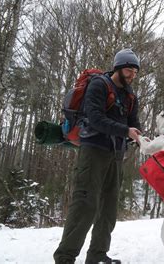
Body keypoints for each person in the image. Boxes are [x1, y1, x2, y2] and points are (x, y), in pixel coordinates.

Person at [54, 48, 142, 264]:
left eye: (135, 71)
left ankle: (98, 255)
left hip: (116, 154)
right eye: (129, 70)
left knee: (109, 207)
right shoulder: (99, 85)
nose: (132, 75)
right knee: (85, 203)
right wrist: (125, 131)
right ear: (118, 67)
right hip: (93, 150)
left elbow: (134, 123)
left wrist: (138, 135)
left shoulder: (130, 96)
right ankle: (65, 257)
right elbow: (95, 119)